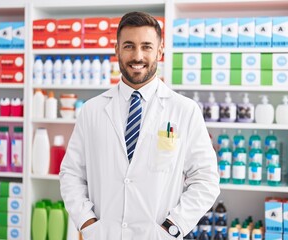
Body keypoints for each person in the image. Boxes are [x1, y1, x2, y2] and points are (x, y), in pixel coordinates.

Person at [59, 11, 220, 240]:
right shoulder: (92, 111)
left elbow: (206, 180)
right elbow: (71, 173)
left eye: (146, 46)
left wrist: (173, 227)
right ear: (117, 51)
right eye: (128, 46)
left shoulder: (184, 110)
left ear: (159, 51)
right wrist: (87, 223)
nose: (138, 56)